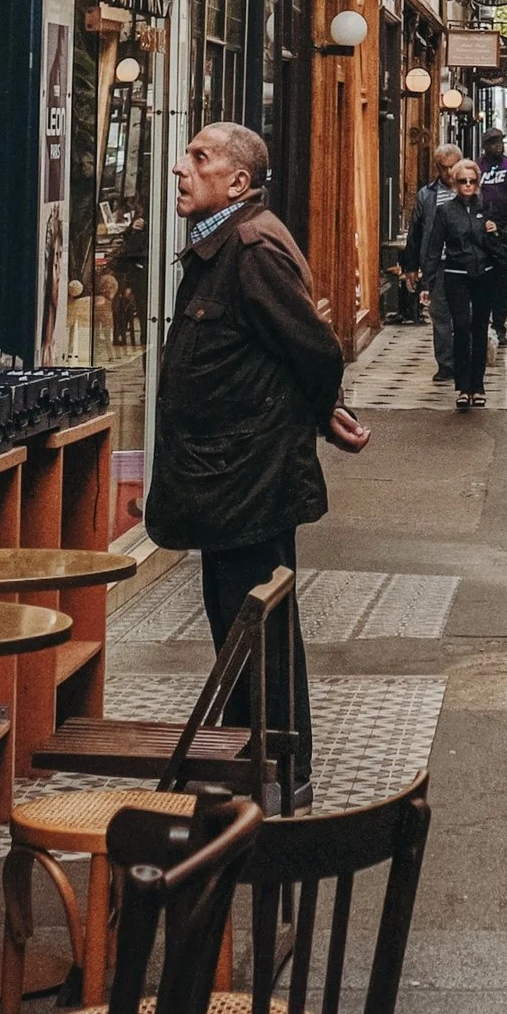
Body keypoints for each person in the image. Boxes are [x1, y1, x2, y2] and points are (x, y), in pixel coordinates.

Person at [145, 122, 365, 779]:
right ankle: (256, 760)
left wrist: (320, 411)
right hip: (229, 477)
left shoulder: (251, 247)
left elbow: (317, 349)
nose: (182, 169)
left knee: (257, 629)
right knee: (242, 625)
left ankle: (272, 769)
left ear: (238, 182)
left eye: (199, 158)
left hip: (247, 477)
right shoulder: (225, 244)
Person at [420, 155, 505, 410]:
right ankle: (462, 386)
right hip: (456, 274)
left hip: (484, 274)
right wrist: (427, 283)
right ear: (455, 184)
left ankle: (477, 386)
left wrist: (494, 231)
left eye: (472, 180)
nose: (468, 185)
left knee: (479, 328)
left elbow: (501, 243)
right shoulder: (445, 212)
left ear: (478, 182)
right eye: (462, 181)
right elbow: (435, 248)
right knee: (462, 326)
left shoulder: (487, 206)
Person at [406, 145, 463, 385]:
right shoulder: (427, 195)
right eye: (444, 168)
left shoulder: (470, 191)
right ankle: (446, 365)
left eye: (453, 167)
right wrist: (410, 266)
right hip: (437, 264)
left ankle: (464, 362)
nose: (449, 172)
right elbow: (416, 231)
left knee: (464, 316)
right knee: (440, 316)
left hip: (464, 264)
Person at [476, 134, 507, 351]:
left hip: (505, 229)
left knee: (502, 279)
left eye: (499, 142)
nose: (497, 146)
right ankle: (480, 324)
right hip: (480, 228)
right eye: (492, 142)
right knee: (479, 278)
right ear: (485, 145)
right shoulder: (476, 167)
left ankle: (499, 326)